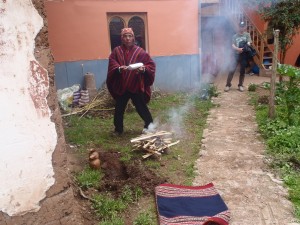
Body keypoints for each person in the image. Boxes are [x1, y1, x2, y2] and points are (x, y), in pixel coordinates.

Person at [106, 27, 156, 135]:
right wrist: (119, 69)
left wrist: (143, 69)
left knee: (141, 106)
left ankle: (149, 125)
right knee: (119, 108)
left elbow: (150, 64)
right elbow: (112, 63)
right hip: (122, 85)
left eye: (130, 36)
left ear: (133, 38)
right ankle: (118, 130)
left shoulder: (140, 51)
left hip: (135, 84)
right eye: (125, 36)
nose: (127, 38)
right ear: (122, 38)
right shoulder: (116, 51)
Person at [224, 21, 252, 92]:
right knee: (231, 70)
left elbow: (249, 42)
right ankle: (228, 85)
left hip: (243, 56)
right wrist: (238, 49)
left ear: (245, 27)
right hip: (236, 55)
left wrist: (244, 47)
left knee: (242, 71)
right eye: (240, 26)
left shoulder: (247, 35)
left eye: (243, 26)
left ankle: (240, 85)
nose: (241, 28)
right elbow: (232, 45)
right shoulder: (235, 36)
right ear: (238, 27)